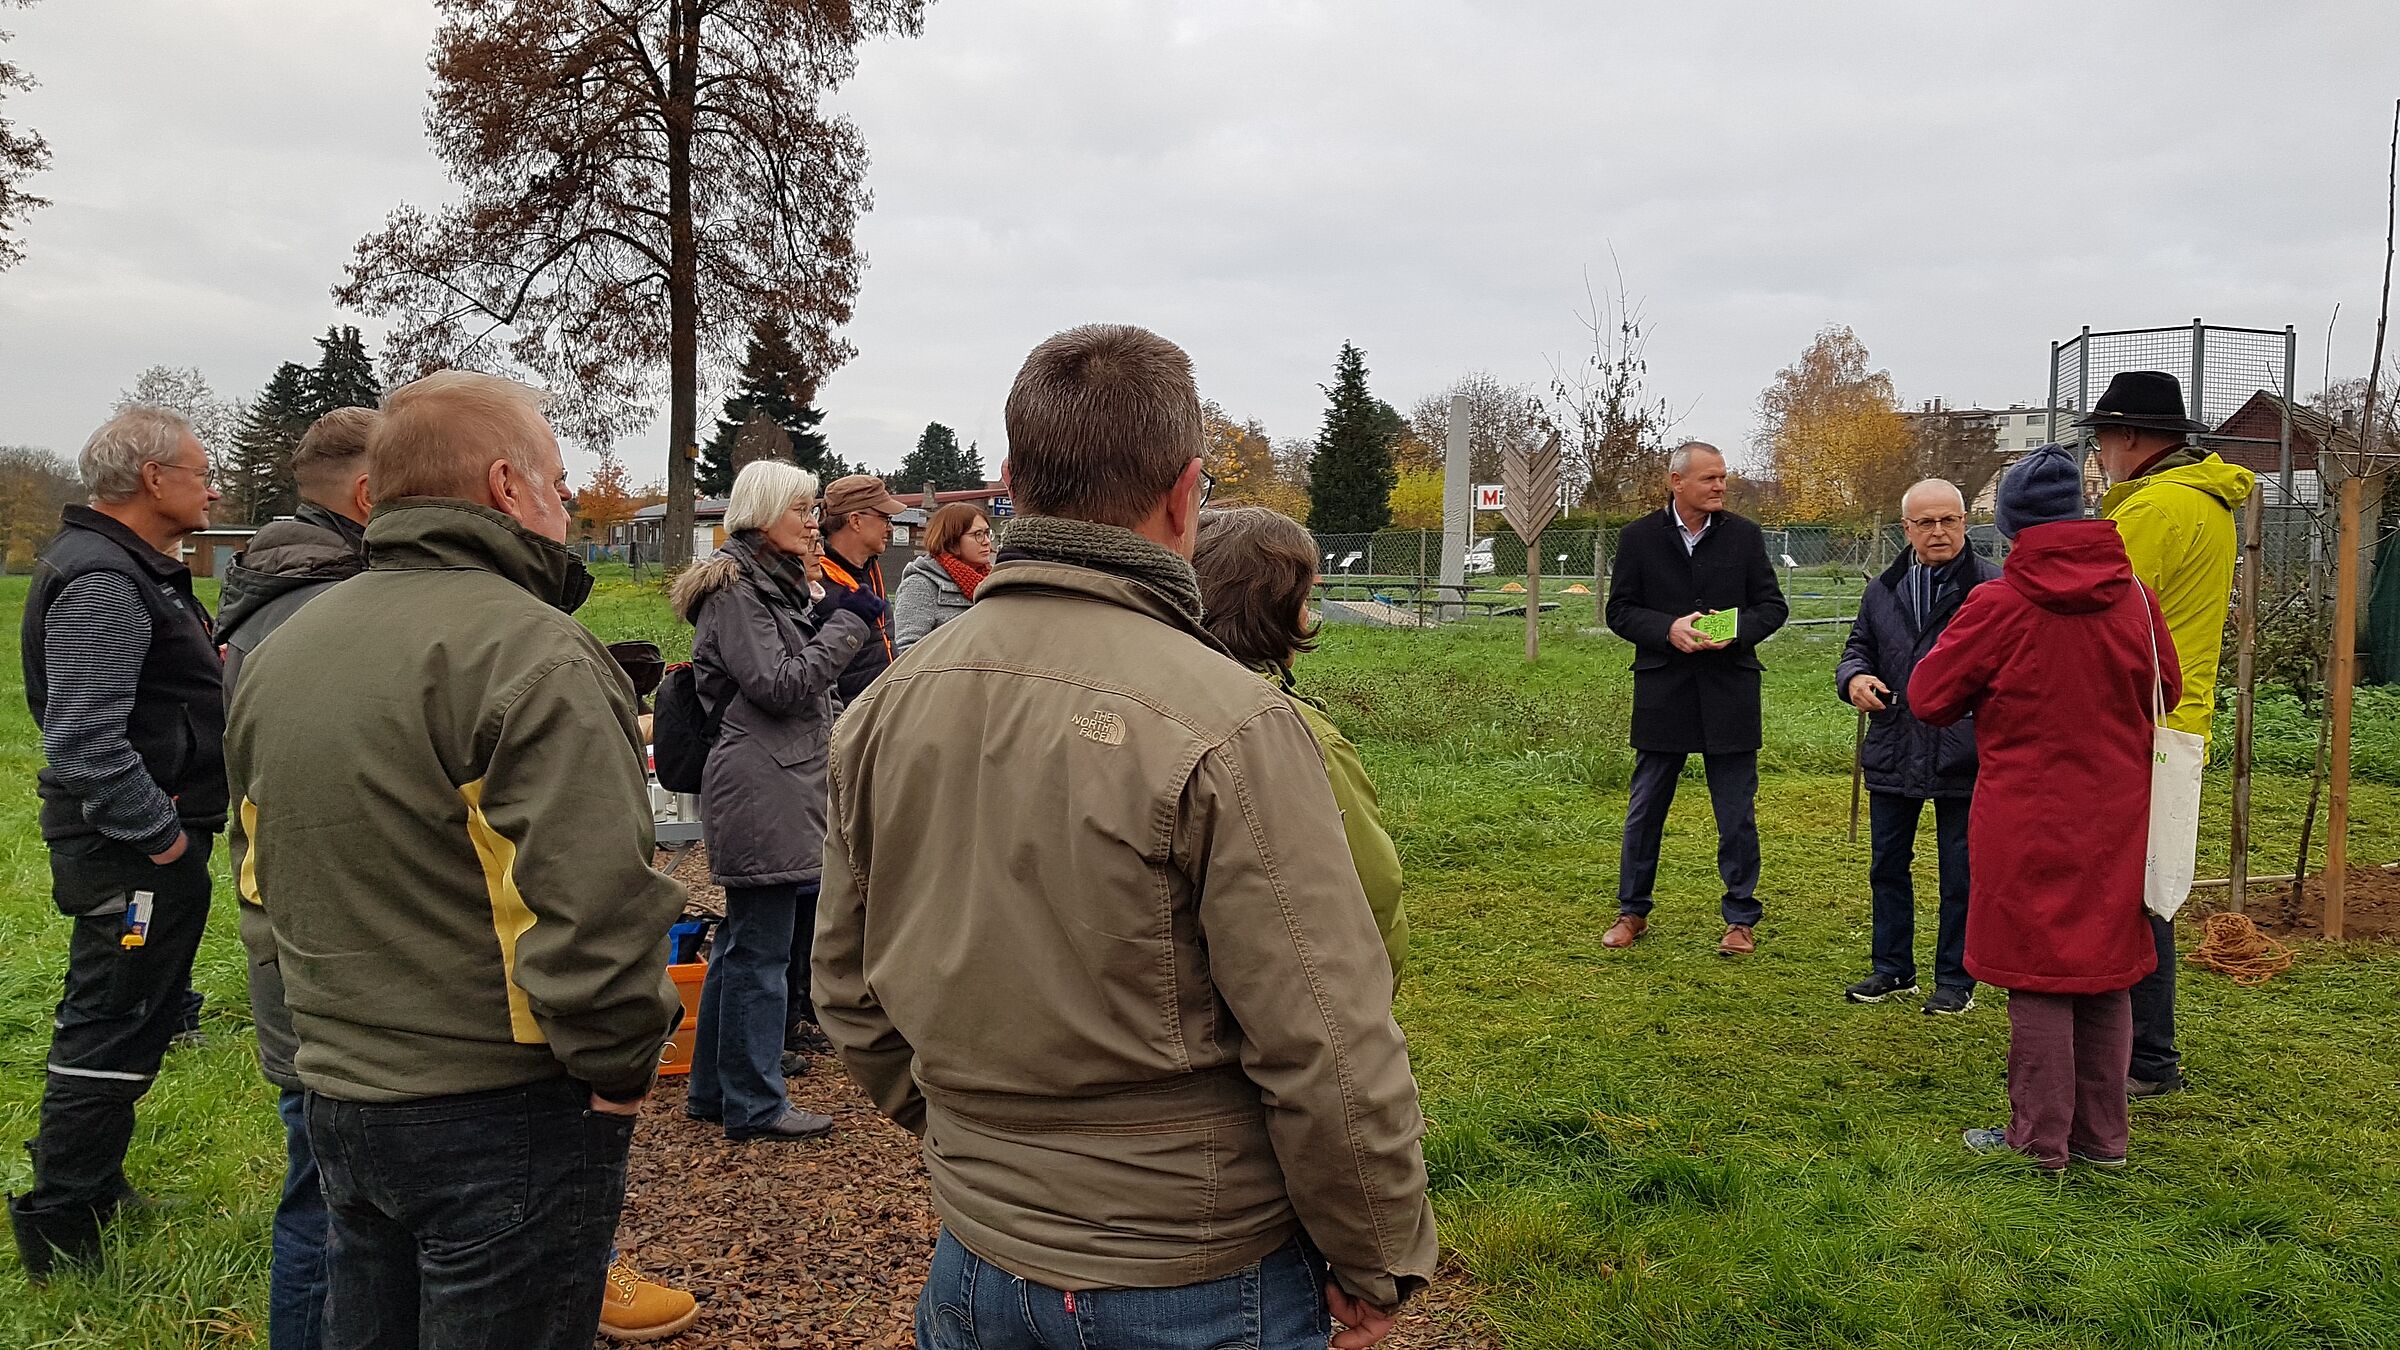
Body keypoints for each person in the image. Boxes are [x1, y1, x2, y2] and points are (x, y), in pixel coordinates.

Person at [815, 324, 1437, 1350]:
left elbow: (844, 983)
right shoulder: (1233, 722)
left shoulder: (886, 705)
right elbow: (1326, 1039)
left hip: (978, 1260)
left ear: (1012, 483)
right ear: (1188, 493)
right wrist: (1378, 1256)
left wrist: (981, 1148)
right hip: (1191, 1272)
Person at [224, 371, 687, 1349]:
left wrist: (322, 1046)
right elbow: (595, 900)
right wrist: (617, 1066)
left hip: (341, 1100)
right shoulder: (535, 655)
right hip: (501, 1111)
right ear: (506, 486)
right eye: (560, 485)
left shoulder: (281, 651)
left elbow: (259, 879)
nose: (566, 508)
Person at [1910, 443, 2178, 1171]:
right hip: (2121, 815)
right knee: (2108, 968)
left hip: (2026, 815)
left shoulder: (1997, 604)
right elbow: (2169, 693)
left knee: (2037, 975)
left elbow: (1929, 697)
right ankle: (2104, 1139)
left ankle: (2039, 1140)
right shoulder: (2138, 599)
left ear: (2014, 527)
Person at [10, 407, 224, 1281]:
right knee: (111, 1017)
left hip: (143, 841)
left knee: (133, 1011)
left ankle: (96, 1181)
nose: (214, 487)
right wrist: (162, 839)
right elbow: (85, 740)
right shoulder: (105, 580)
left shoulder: (133, 567)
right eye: (201, 471)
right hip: (128, 848)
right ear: (151, 479)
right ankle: (60, 1219)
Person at [214, 406, 376, 1348]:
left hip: (287, 928)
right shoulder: (324, 607)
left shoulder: (273, 588)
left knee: (322, 1178)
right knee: (326, 1196)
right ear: (367, 498)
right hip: (324, 946)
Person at [670, 459, 881, 1142]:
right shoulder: (738, 592)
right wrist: (846, 628)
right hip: (762, 785)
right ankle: (755, 1104)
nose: (813, 520)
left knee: (742, 947)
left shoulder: (767, 587)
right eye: (801, 508)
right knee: (759, 955)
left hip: (775, 780)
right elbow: (780, 684)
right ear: (762, 512)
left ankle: (714, 1092)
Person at [2082, 371, 2254, 1100]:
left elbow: (2096, 611)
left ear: (2126, 437)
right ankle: (2146, 1051)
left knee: (2132, 890)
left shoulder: (2153, 510)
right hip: (2177, 720)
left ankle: (2147, 1055)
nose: (2099, 458)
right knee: (2149, 886)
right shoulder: (2206, 504)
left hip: (2138, 723)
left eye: (2101, 442)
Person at [1193, 505, 1406, 985]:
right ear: (1278, 609)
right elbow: (1371, 891)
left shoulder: (1134, 696)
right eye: (1306, 600)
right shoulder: (1299, 735)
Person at [1602, 440, 1791, 955]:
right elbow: (1619, 611)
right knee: (1645, 808)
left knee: (1735, 812)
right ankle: (1632, 911)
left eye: (1723, 478)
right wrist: (1668, 629)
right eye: (1710, 478)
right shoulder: (1639, 538)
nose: (1720, 487)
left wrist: (1739, 631)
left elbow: (1772, 607)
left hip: (1730, 689)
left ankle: (1740, 918)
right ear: (1676, 482)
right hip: (1664, 692)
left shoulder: (1746, 537)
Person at [1834, 478, 2000, 1015]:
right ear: (1905, 529)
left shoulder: (1992, 588)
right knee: (1887, 864)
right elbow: (1858, 647)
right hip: (1894, 743)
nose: (1938, 532)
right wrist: (1855, 678)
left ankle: (1955, 979)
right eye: (1925, 523)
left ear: (1966, 522)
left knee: (1961, 872)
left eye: (1949, 520)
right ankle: (1892, 968)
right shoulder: (1882, 590)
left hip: (1964, 749)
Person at [815, 473, 907, 700]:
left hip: (881, 714)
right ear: (855, 521)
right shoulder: (815, 582)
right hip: (846, 724)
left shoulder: (870, 569)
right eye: (885, 518)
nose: (891, 528)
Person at [892, 501, 995, 653]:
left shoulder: (992, 582)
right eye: (978, 535)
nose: (986, 541)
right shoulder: (920, 585)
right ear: (951, 540)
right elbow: (907, 652)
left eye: (987, 533)